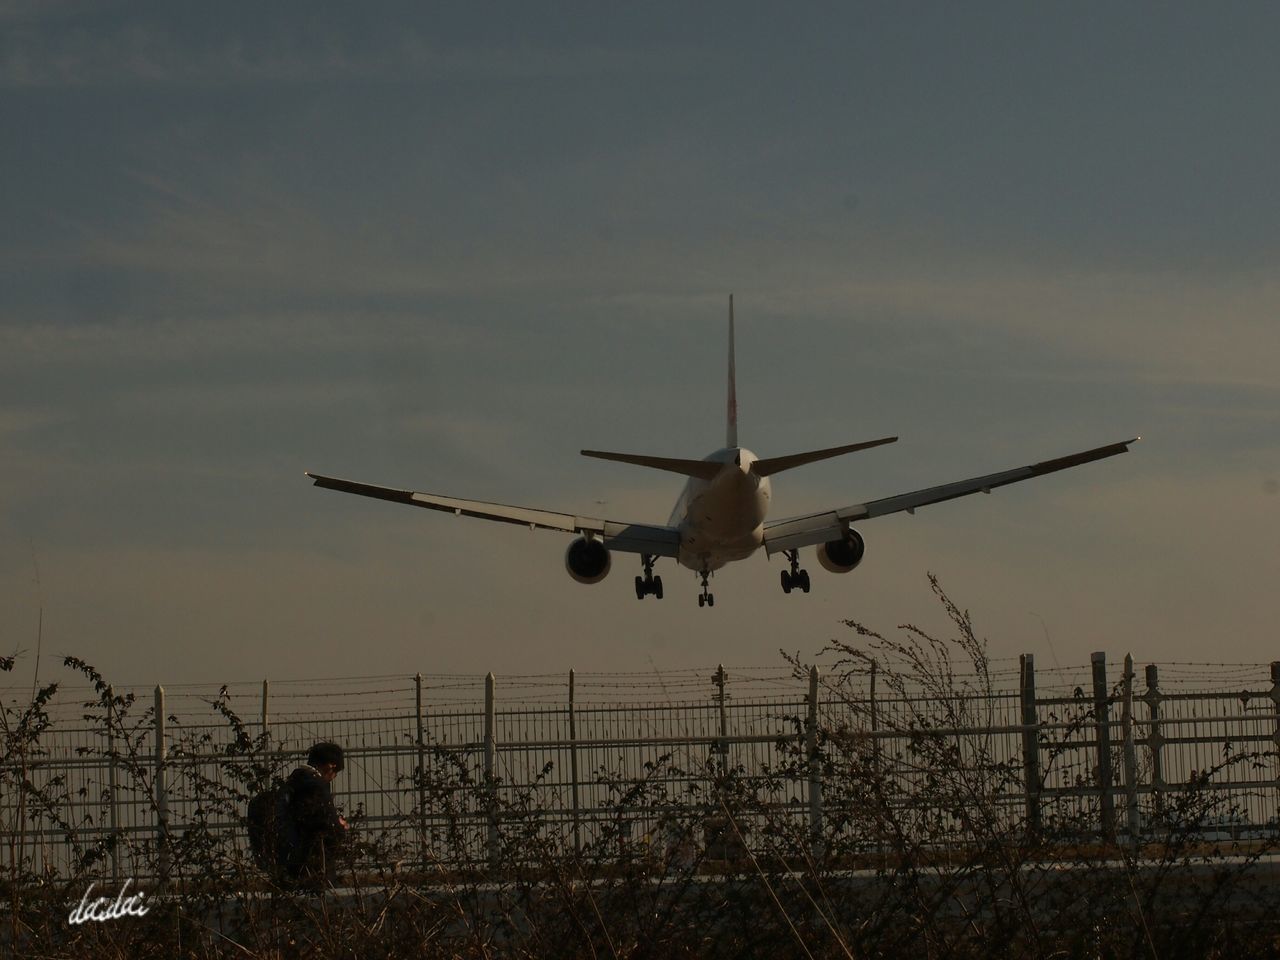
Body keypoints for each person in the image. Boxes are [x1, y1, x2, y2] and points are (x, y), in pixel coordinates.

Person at [282, 741, 349, 888]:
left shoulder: (294, 782)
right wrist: (340, 826)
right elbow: (328, 826)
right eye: (335, 773)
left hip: (292, 858)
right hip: (316, 861)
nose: (333, 777)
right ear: (330, 766)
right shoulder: (316, 786)